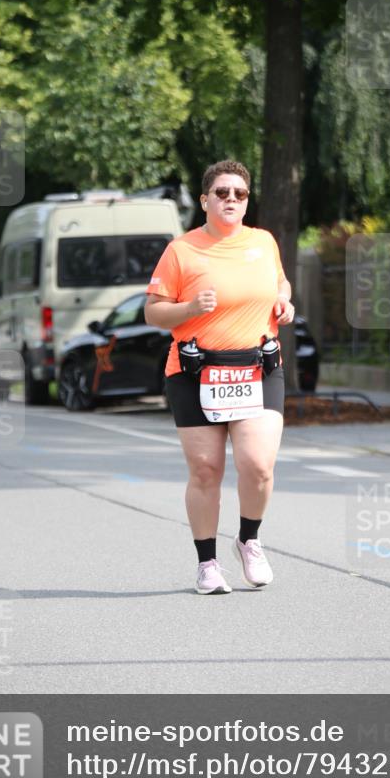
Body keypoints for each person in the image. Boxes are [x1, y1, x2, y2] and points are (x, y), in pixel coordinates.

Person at [144, 160, 295, 594]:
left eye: (240, 194)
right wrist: (190, 309)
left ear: (247, 202)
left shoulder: (263, 243)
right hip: (196, 371)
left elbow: (280, 285)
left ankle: (249, 539)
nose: (231, 200)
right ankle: (207, 564)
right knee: (207, 470)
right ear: (205, 199)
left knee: (258, 466)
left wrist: (285, 303)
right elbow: (153, 311)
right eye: (223, 193)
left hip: (257, 367)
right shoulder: (181, 250)